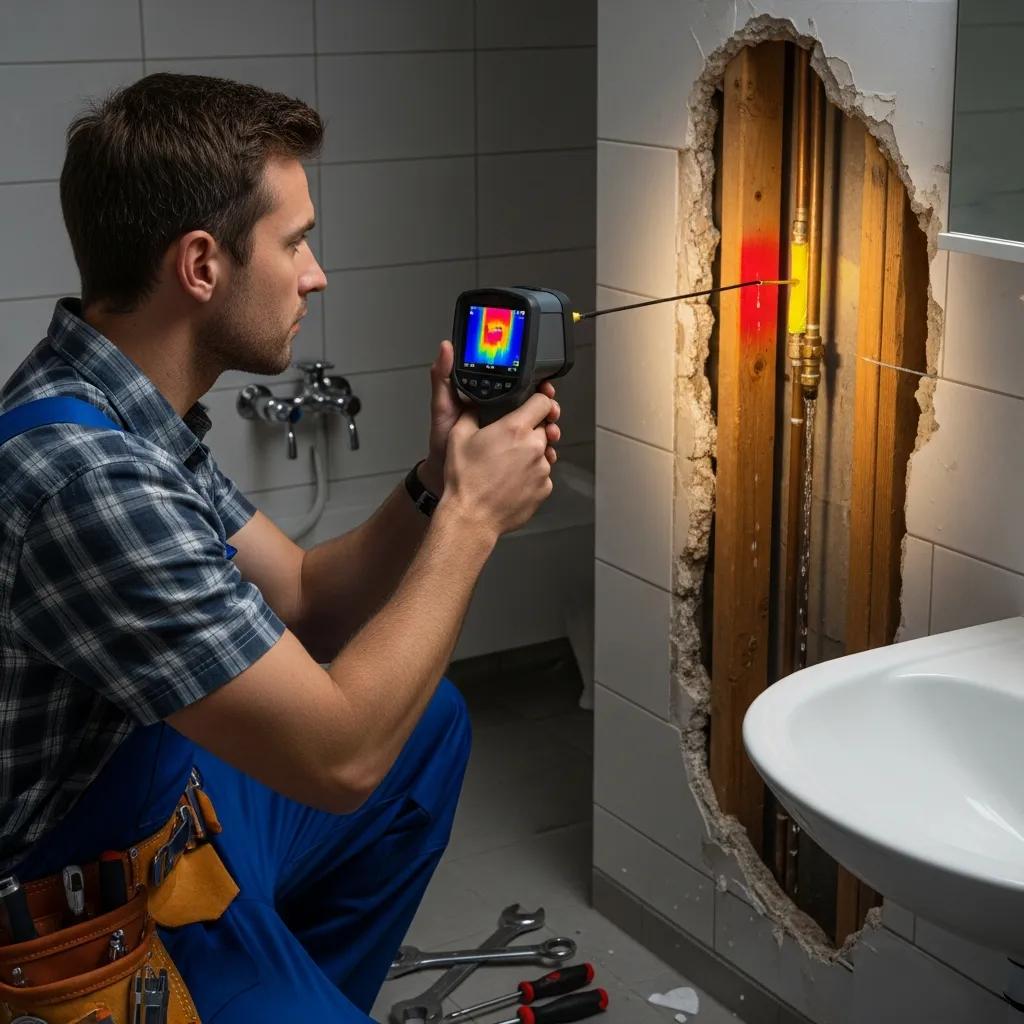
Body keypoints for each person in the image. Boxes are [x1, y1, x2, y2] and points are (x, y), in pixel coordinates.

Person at [0, 73, 560, 1021]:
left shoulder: (121, 403)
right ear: (202, 265)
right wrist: (471, 521)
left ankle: (275, 989)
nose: (316, 273)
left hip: (160, 821)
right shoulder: (89, 482)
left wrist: (431, 485)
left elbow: (302, 592)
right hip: (60, 912)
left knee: (427, 727)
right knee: (373, 746)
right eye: (295, 241)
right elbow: (339, 761)